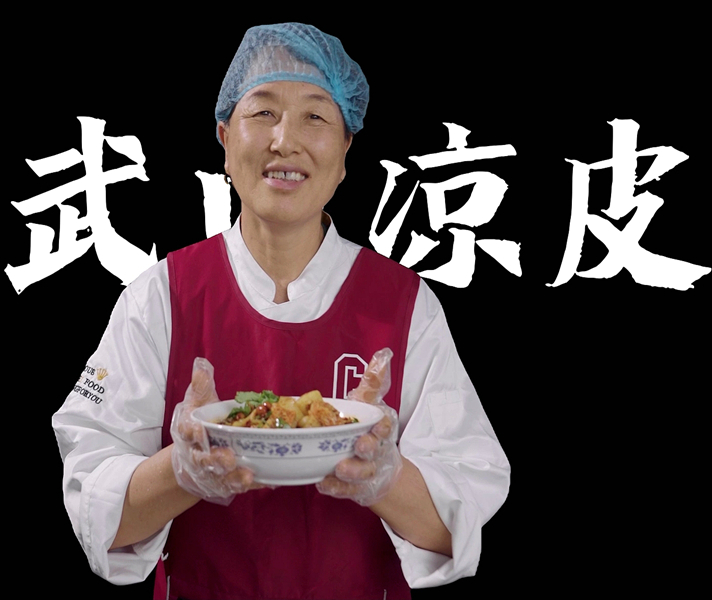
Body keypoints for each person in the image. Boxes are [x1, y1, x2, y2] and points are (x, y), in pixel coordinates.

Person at [52, 22, 510, 600]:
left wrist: (384, 476)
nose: (285, 141)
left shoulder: (404, 304)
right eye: (263, 112)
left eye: (315, 116)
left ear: (345, 151)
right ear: (225, 138)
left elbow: (457, 525)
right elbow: (96, 510)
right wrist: (182, 470)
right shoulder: (161, 296)